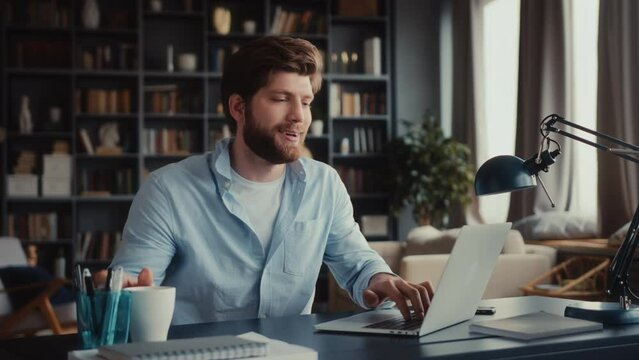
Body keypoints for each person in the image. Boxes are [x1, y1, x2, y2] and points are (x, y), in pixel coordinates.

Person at [110, 36, 433, 325]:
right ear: (238, 107)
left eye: (306, 102)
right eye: (281, 99)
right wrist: (124, 292)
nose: (299, 116)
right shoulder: (168, 190)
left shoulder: (324, 184)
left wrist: (381, 279)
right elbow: (134, 288)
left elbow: (357, 261)